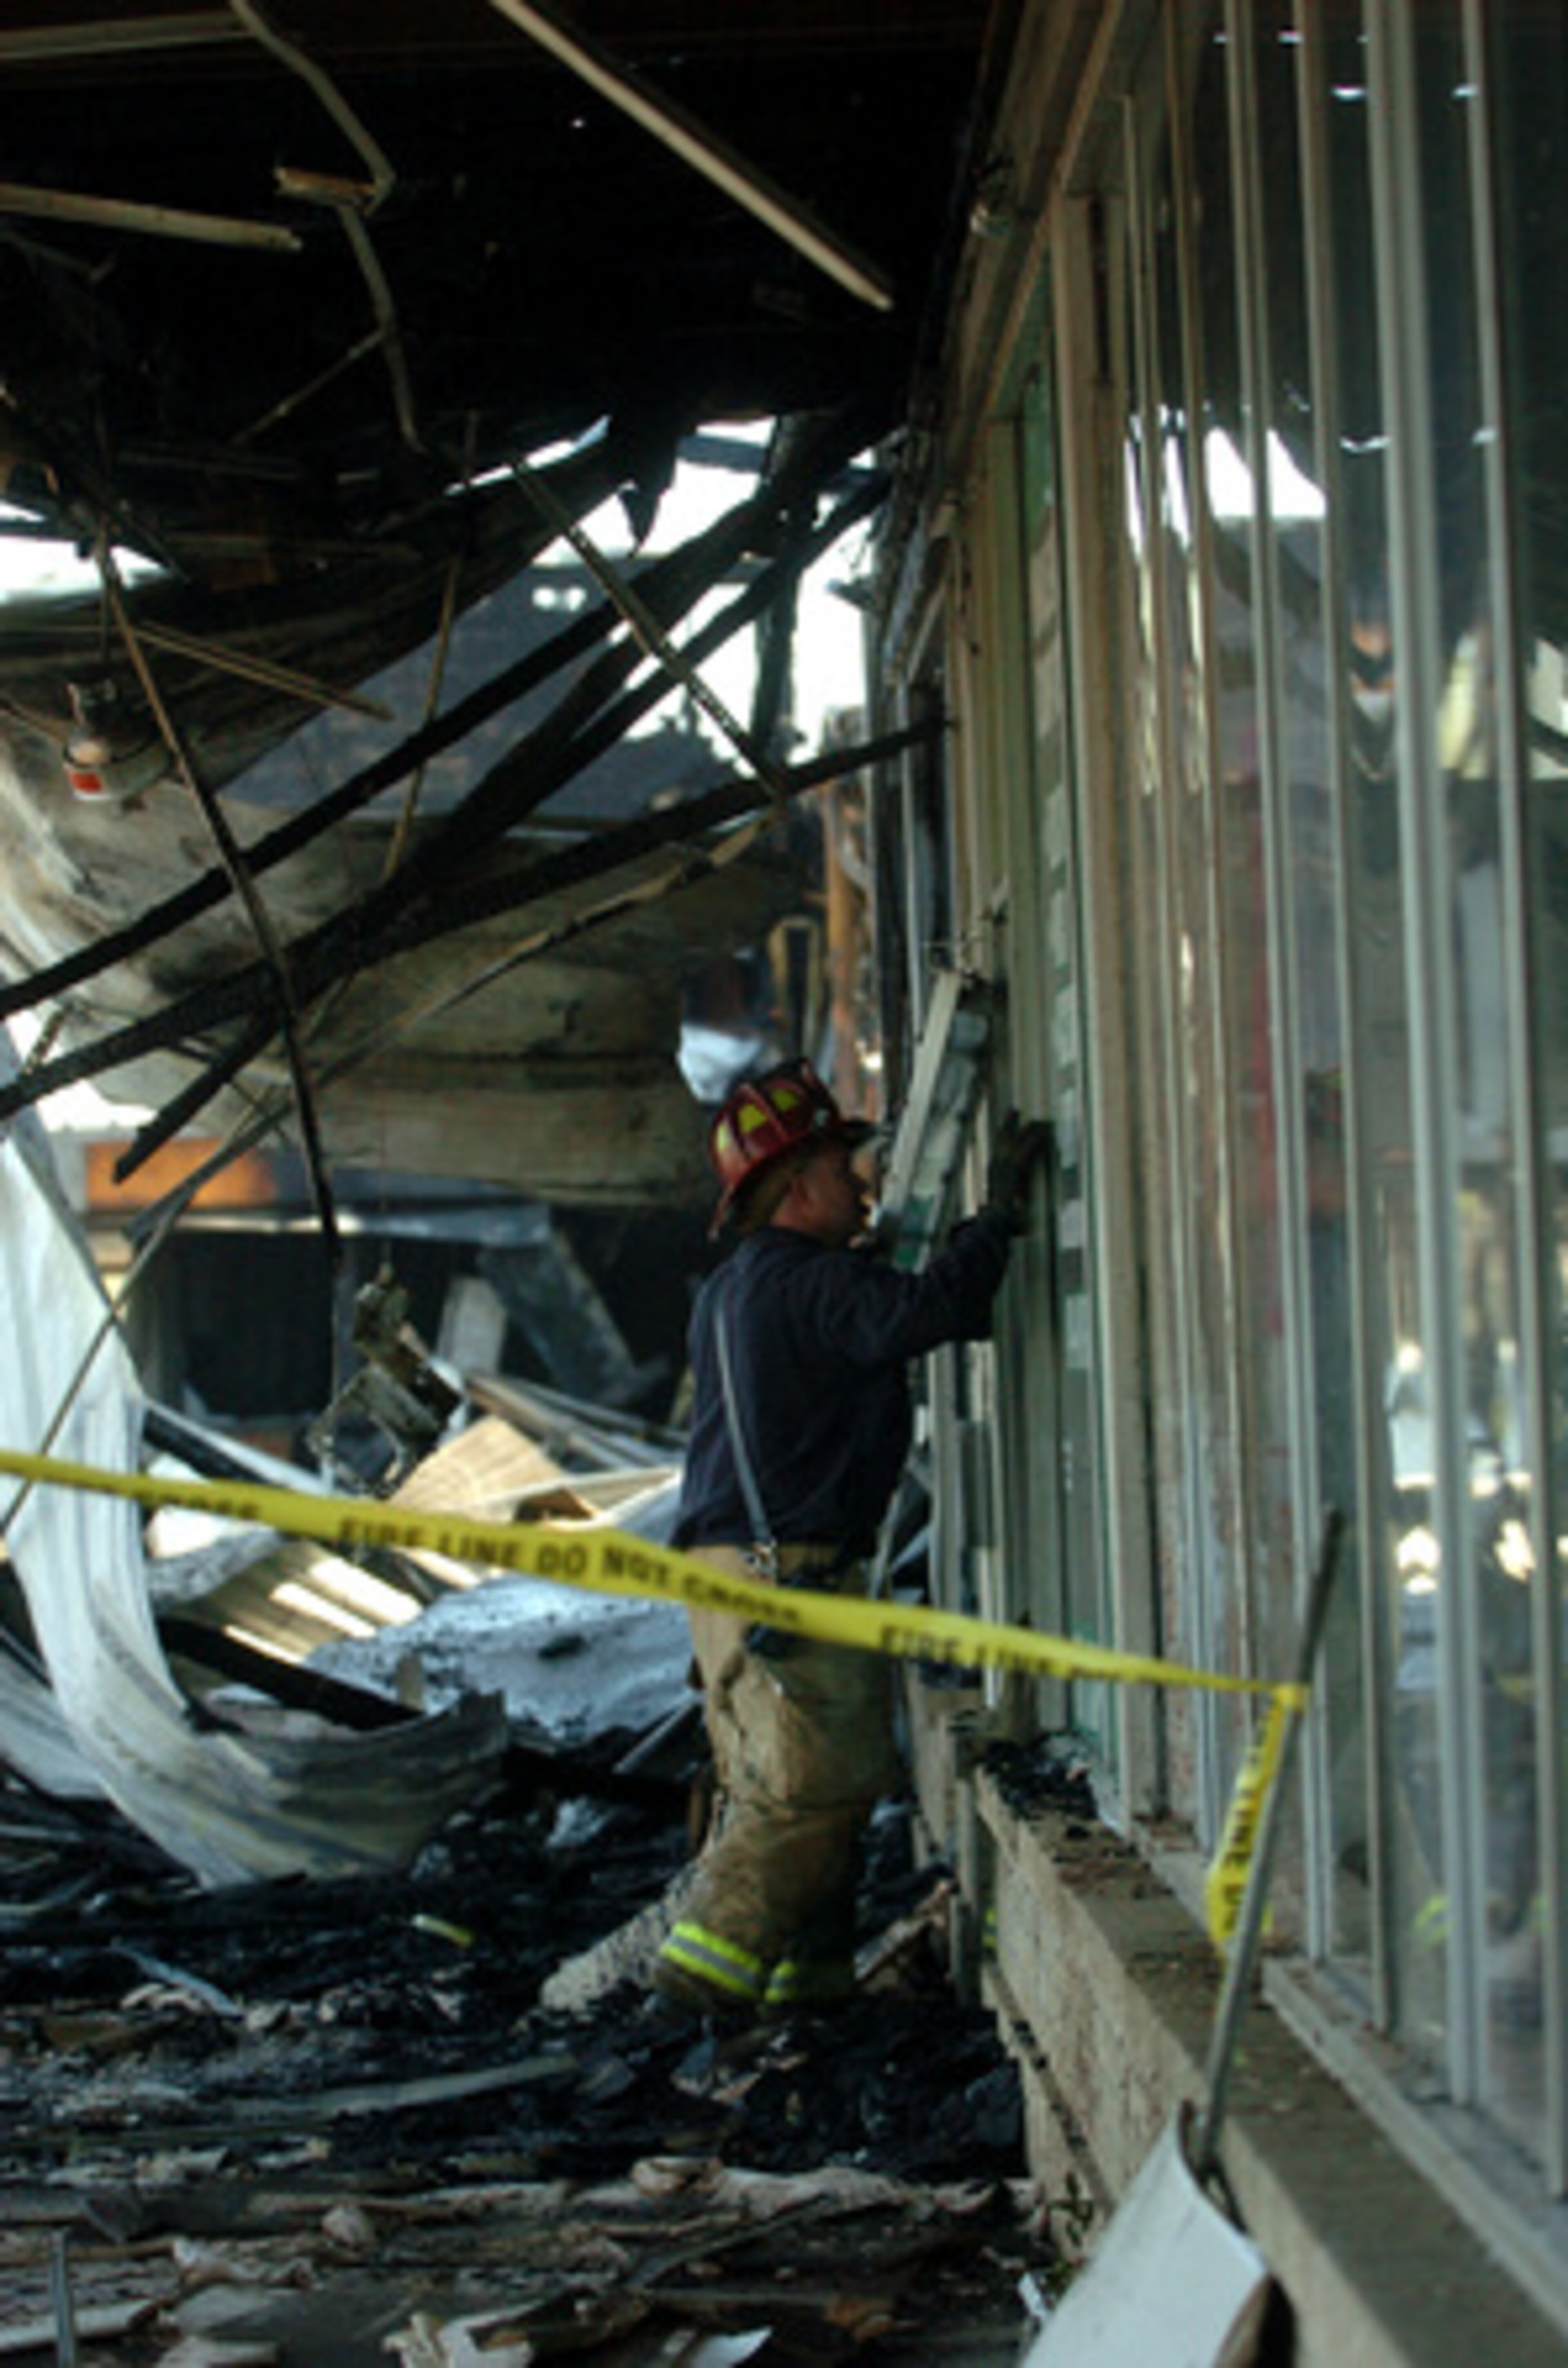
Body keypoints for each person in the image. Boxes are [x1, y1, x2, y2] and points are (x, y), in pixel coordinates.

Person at [652, 1056, 1049, 2021]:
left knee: (790, 1783)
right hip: (788, 1576)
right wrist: (993, 1218)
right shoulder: (808, 1284)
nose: (861, 1182)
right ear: (795, 1188)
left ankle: (810, 1990)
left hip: (730, 1577)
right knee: (813, 1785)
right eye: (840, 1164)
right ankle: (693, 1987)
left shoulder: (742, 1288)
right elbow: (930, 1312)